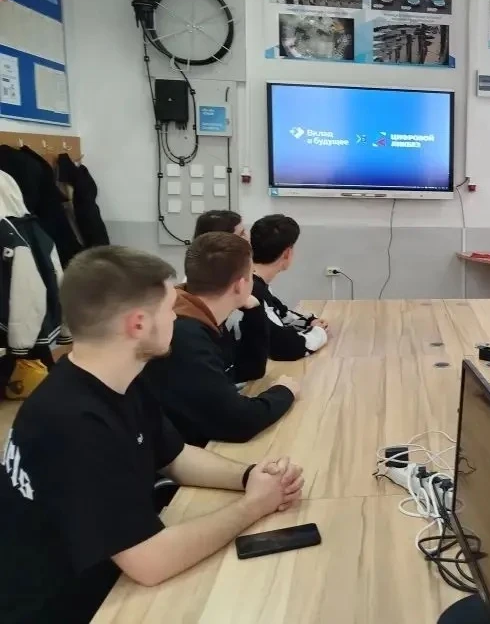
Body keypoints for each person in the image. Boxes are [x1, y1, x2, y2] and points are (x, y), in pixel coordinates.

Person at [0, 246, 304, 623]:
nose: (176, 317)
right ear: (139, 324)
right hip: (70, 606)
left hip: (110, 574)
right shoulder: (71, 422)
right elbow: (150, 562)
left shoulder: (118, 378)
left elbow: (175, 456)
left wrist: (249, 476)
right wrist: (254, 505)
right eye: (170, 308)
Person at [141, 232, 300, 446]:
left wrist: (254, 312)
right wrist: (284, 392)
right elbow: (238, 423)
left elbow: (248, 370)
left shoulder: (200, 313)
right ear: (240, 285)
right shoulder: (186, 334)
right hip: (186, 452)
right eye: (251, 274)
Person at [192, 209, 267, 382]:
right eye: (241, 234)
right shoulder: (194, 331)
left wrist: (255, 311)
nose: (248, 239)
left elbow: (249, 369)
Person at [251, 214, 329, 361]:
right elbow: (287, 347)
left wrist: (309, 322)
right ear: (287, 253)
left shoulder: (256, 282)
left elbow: (280, 314)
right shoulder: (252, 290)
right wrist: (319, 332)